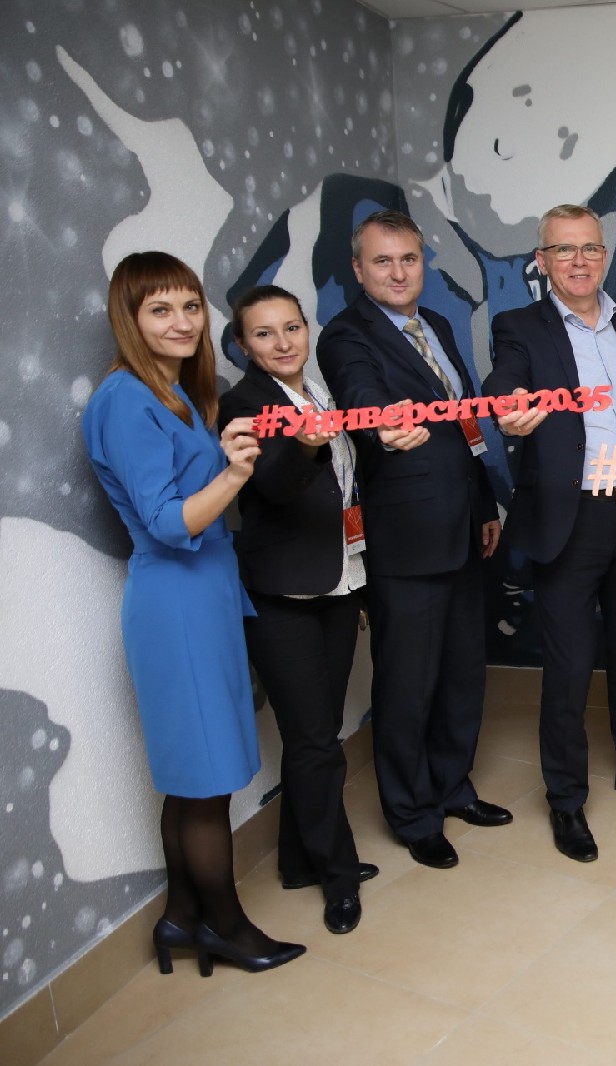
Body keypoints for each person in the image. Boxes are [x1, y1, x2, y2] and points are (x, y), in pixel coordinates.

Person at [82, 251, 304, 975]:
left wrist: (232, 451)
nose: (181, 322)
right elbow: (168, 522)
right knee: (205, 780)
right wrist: (236, 472)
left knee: (192, 775)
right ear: (130, 319)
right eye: (160, 310)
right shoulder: (126, 399)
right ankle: (227, 929)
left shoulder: (172, 393)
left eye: (188, 306)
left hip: (202, 595)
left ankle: (181, 919)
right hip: (176, 603)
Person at [483, 204, 616, 865]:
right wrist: (508, 406)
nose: (579, 261)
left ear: (604, 256)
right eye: (564, 250)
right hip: (568, 518)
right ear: (542, 261)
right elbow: (504, 381)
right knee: (571, 667)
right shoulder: (519, 326)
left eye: (590, 249)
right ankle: (566, 799)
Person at [316, 209, 511, 871]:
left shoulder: (438, 326)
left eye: (408, 259)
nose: (398, 273)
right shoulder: (346, 336)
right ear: (358, 269)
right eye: (383, 261)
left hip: (463, 526)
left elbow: (464, 428)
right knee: (407, 684)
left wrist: (483, 502)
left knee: (461, 674)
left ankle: (452, 787)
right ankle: (412, 813)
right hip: (406, 539)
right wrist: (384, 423)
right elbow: (362, 398)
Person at [218, 285, 376, 934]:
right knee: (315, 741)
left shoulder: (318, 391)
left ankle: (295, 859)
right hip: (281, 593)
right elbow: (274, 487)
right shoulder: (242, 404)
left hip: (337, 582)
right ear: (242, 344)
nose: (283, 343)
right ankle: (338, 876)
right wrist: (308, 445)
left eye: (292, 327)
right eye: (264, 333)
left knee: (318, 733)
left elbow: (345, 483)